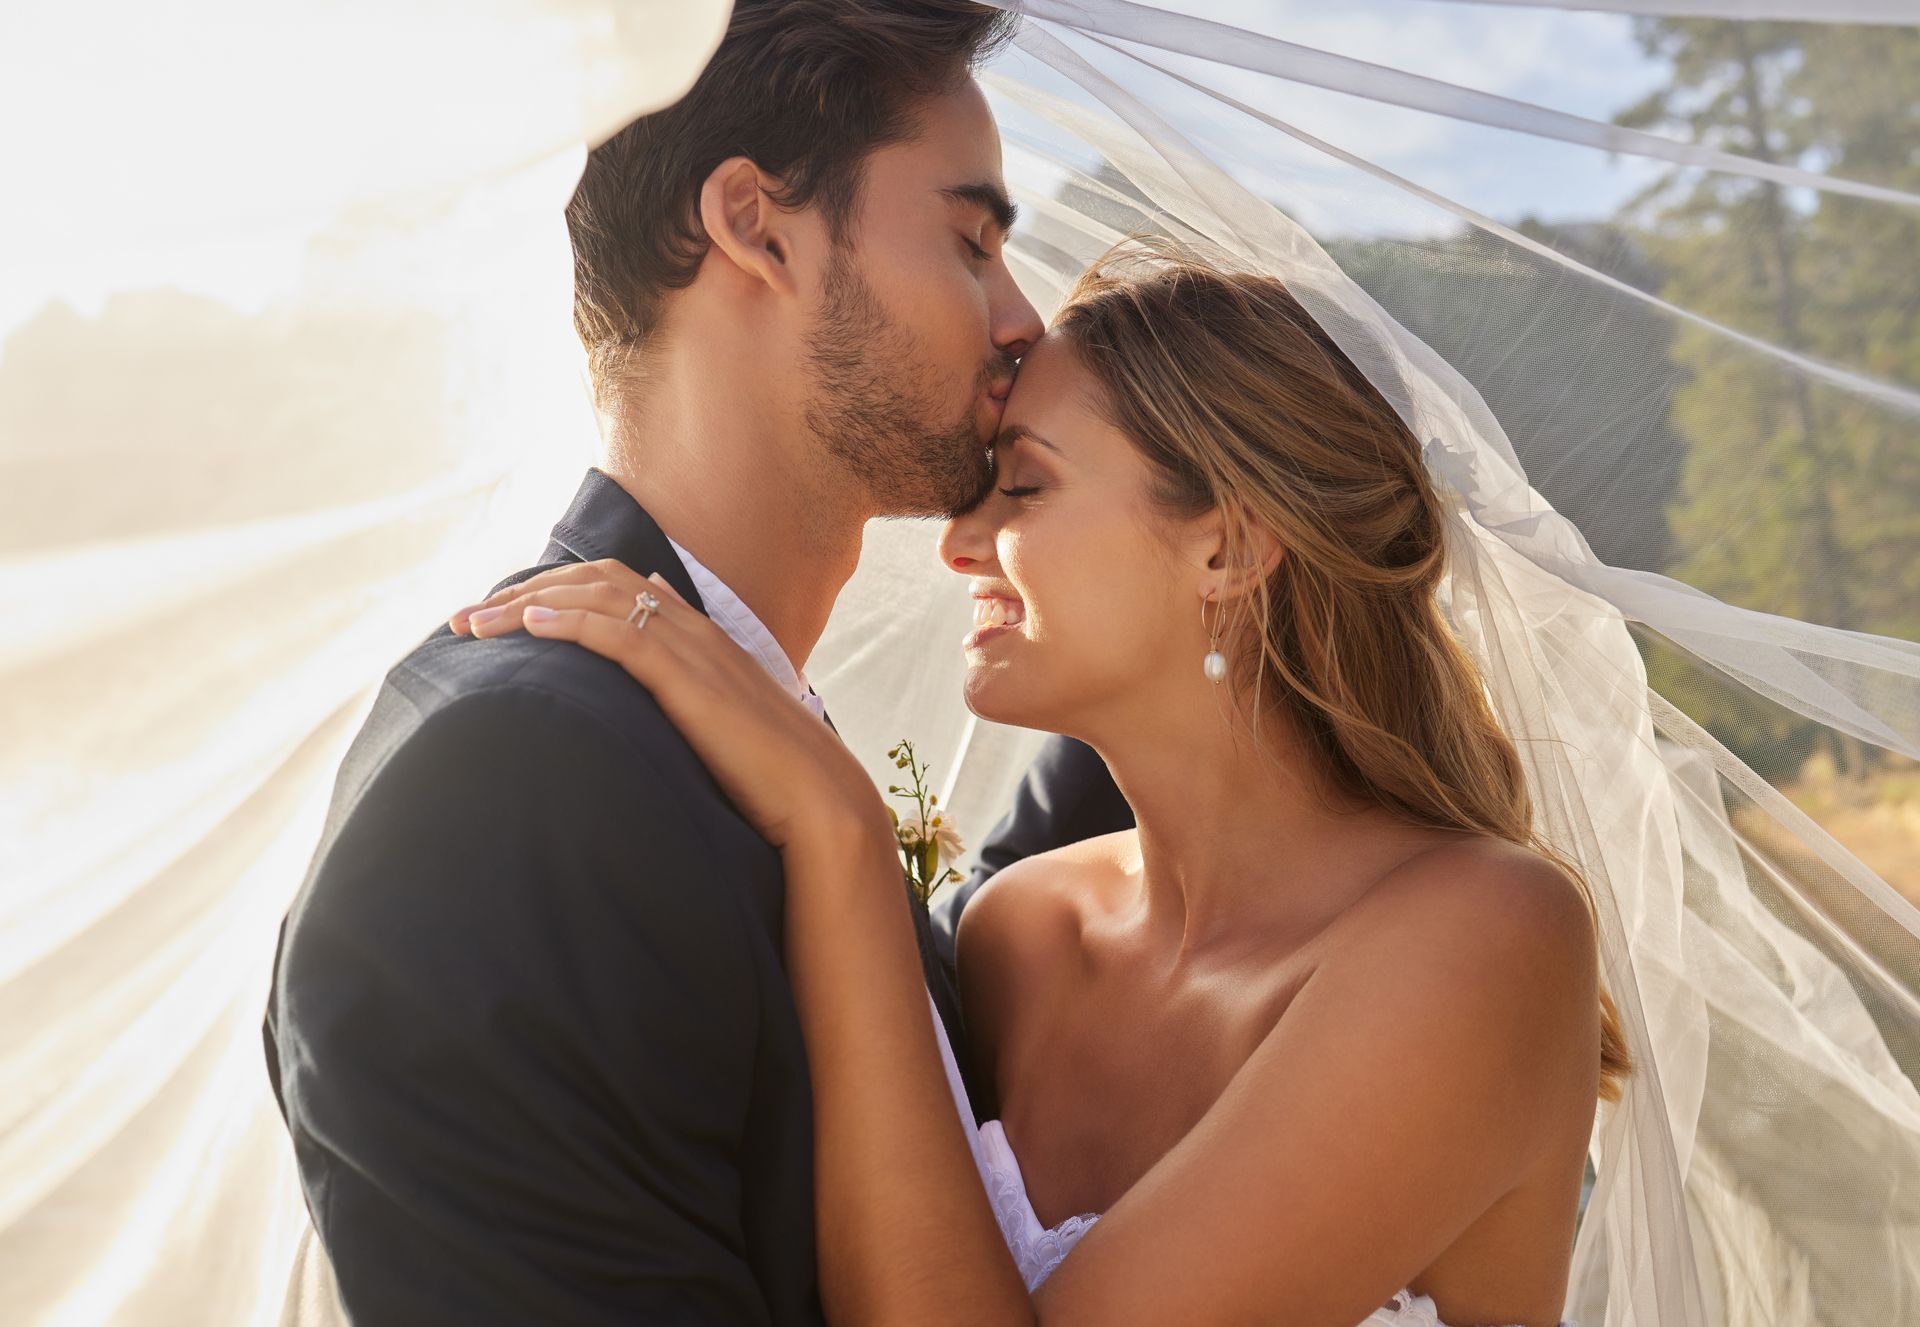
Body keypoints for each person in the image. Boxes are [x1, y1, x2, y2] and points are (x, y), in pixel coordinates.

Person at [464, 242, 1629, 1326]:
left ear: (1225, 547)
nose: (957, 544)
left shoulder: (1484, 940)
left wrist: (838, 831)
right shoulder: (1016, 936)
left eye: (1019, 487)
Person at [262, 2, 1040, 1322]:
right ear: (757, 224)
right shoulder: (518, 775)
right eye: (970, 240)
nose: (1022, 320)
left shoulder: (730, 730)